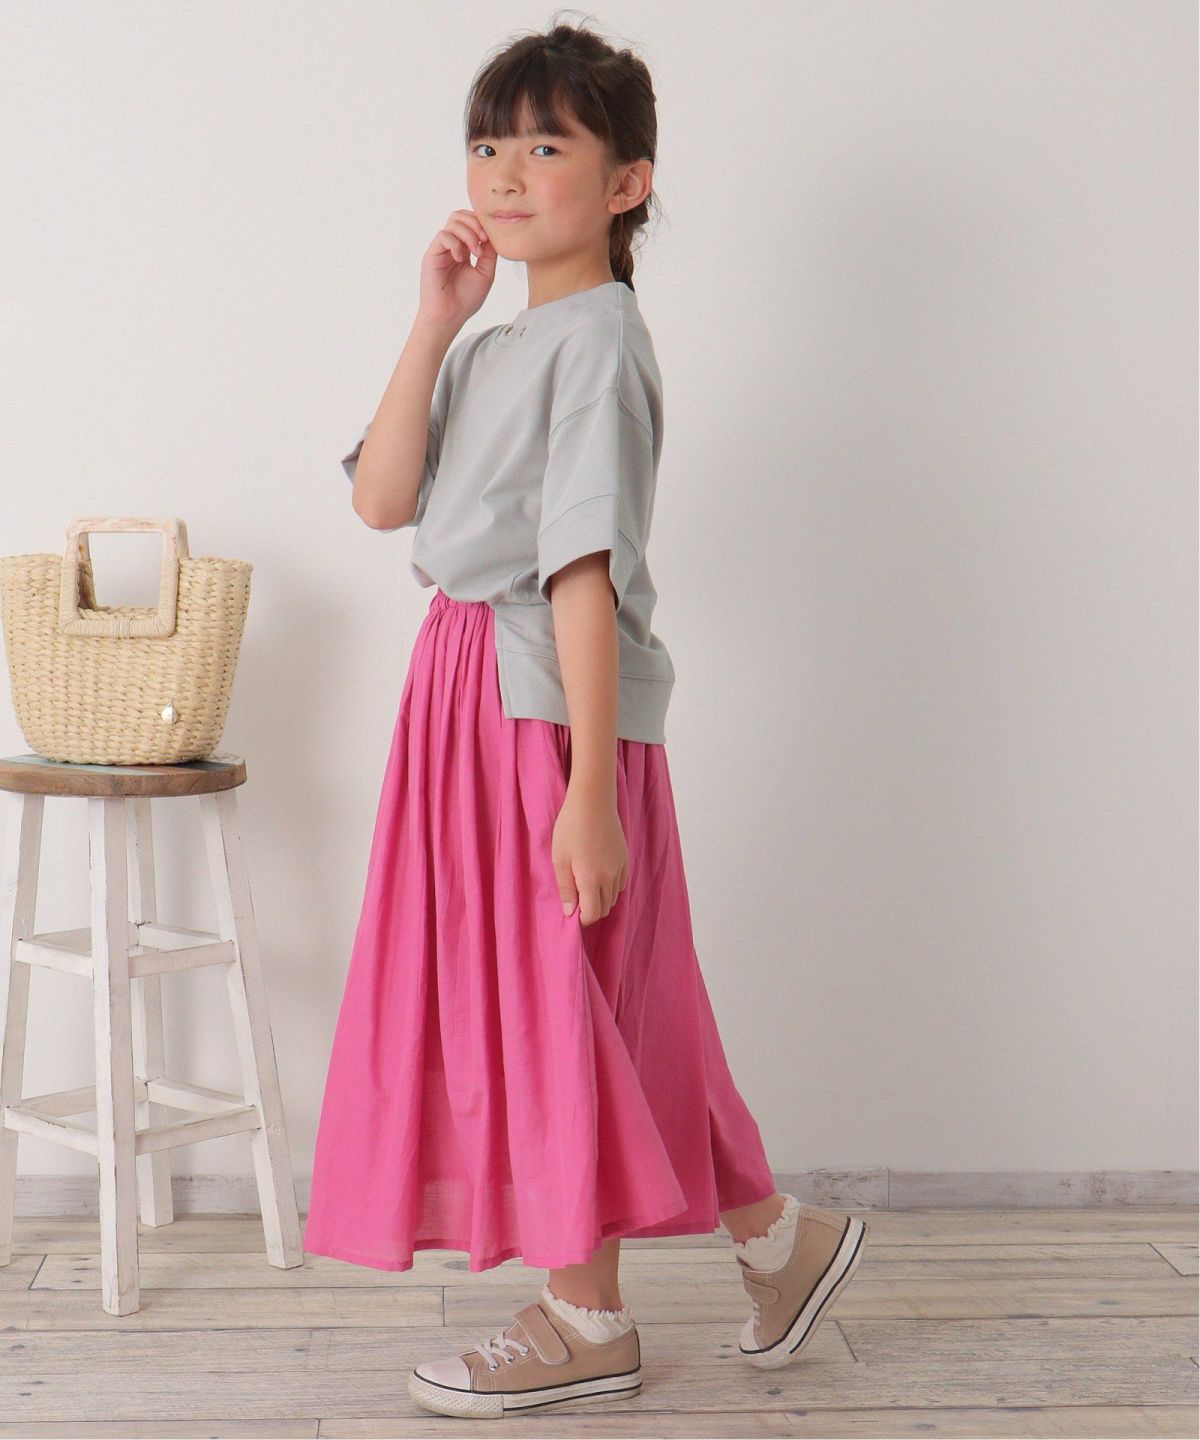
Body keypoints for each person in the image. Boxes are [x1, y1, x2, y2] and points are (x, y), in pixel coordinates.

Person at [303, 18, 868, 1420]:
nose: (505, 172)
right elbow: (382, 500)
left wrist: (590, 791)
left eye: (545, 145)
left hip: (542, 715)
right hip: (468, 695)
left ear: (626, 184)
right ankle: (780, 1245)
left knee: (558, 1007)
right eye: (486, 144)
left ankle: (587, 1320)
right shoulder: (501, 343)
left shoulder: (600, 342)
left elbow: (581, 571)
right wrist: (434, 318)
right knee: (618, 1007)